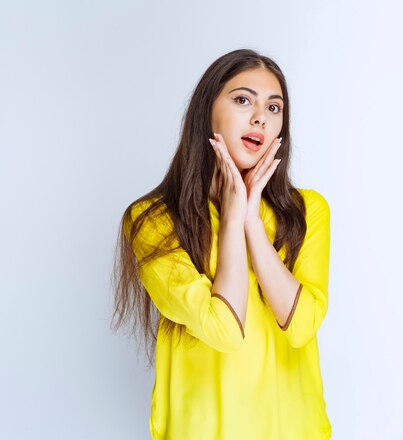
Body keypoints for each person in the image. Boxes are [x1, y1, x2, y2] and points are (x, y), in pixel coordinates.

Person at [111, 48, 333, 439]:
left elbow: (300, 327)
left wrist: (251, 220)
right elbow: (226, 330)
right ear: (206, 112)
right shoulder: (153, 220)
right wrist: (231, 218)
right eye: (243, 100)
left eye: (275, 107)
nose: (261, 117)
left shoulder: (307, 211)